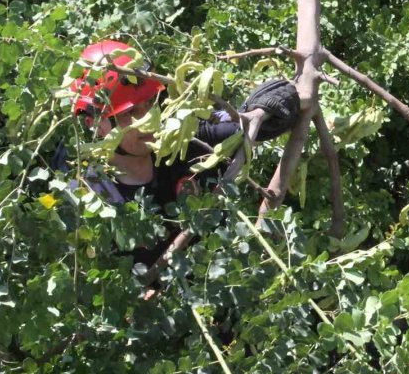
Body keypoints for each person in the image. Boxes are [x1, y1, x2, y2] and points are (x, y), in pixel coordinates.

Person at [69, 39, 300, 273]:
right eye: (130, 113)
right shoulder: (91, 196)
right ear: (95, 124)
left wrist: (270, 104)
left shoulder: (186, 138)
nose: (148, 120)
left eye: (150, 103)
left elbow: (262, 118)